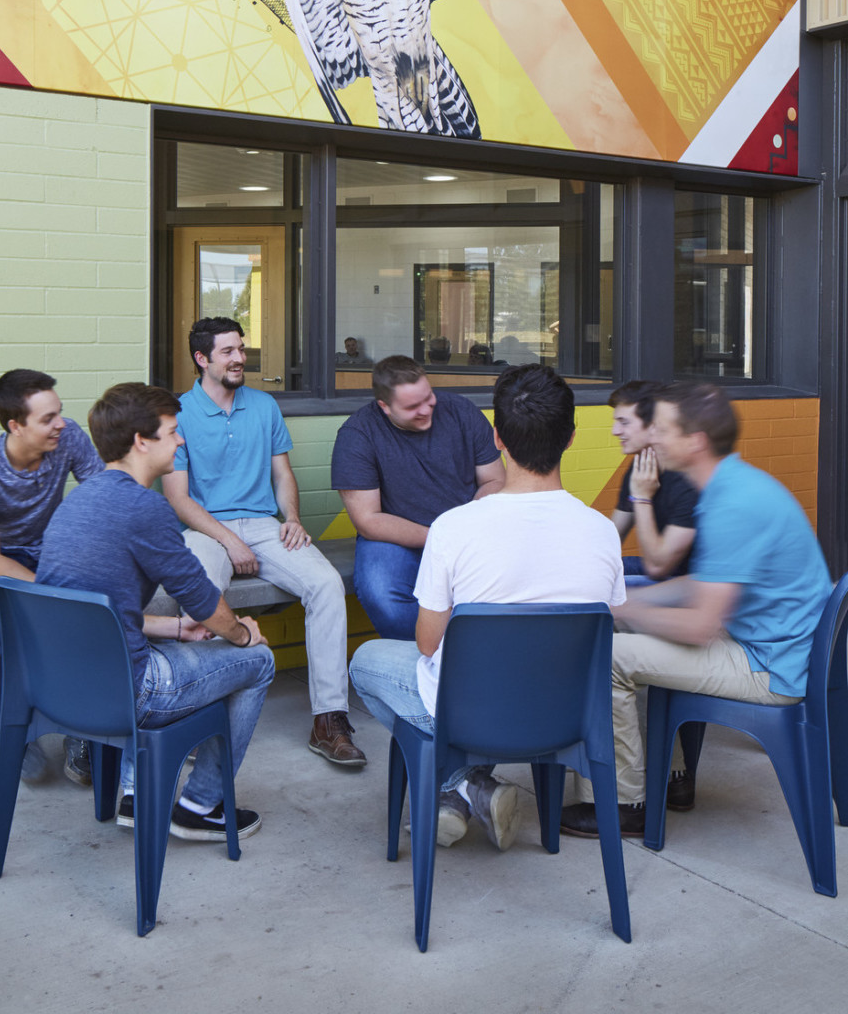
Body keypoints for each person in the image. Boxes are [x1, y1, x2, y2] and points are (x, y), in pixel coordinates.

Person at [350, 364, 625, 849]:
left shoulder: (455, 529)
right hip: (565, 712)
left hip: (475, 710)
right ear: (572, 438)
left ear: (497, 438)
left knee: (365, 661)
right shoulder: (603, 531)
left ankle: (459, 782)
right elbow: (605, 623)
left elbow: (428, 643)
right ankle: (469, 784)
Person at [561, 382, 832, 840]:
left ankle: (625, 803)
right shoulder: (734, 483)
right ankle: (670, 778)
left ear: (695, 441)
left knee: (605, 656)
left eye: (662, 429)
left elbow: (700, 626)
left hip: (769, 665)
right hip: (773, 643)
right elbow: (702, 584)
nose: (654, 437)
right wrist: (628, 604)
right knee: (623, 623)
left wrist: (619, 612)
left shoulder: (731, 504)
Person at [36, 383, 276, 841]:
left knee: (155, 643)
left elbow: (93, 608)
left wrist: (174, 627)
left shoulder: (77, 501)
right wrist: (244, 633)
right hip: (126, 694)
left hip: (61, 685)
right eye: (172, 432)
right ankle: (202, 805)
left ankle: (135, 792)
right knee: (259, 663)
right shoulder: (147, 506)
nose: (181, 440)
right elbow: (204, 600)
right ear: (141, 441)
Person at [162, 318, 365, 767]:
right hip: (206, 529)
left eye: (241, 349)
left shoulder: (264, 406)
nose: (239, 359)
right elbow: (178, 499)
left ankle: (328, 721)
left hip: (263, 524)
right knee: (200, 596)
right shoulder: (178, 414)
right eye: (228, 352)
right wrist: (229, 540)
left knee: (326, 585)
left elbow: (282, 474)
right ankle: (193, 719)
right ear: (201, 359)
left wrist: (291, 517)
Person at [0, 368, 103, 784]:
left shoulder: (69, 437)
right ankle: (16, 735)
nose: (61, 424)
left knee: (93, 612)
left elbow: (100, 496)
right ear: (15, 426)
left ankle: (83, 733)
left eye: (59, 413)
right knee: (9, 623)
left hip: (50, 550)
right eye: (46, 419)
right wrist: (51, 592)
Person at [331, 355, 506, 641]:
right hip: (399, 538)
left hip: (467, 529)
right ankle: (436, 655)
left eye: (429, 397)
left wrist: (464, 530)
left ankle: (473, 650)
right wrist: (439, 537)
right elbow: (368, 520)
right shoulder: (357, 434)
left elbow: (495, 480)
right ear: (384, 407)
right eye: (413, 406)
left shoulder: (462, 411)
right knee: (382, 594)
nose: (426, 409)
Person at [608, 380, 697, 579]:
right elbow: (611, 540)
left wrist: (642, 497)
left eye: (624, 422)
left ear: (654, 426)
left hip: (690, 582)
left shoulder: (689, 481)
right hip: (659, 570)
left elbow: (657, 567)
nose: (615, 431)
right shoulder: (641, 467)